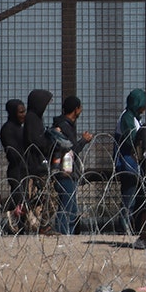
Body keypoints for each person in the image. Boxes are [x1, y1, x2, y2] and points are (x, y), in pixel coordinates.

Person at [51, 96, 94, 235]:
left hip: (68, 171)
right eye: (80, 107)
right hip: (65, 172)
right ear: (76, 109)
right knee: (67, 207)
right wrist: (83, 141)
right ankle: (63, 234)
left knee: (72, 209)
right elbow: (69, 149)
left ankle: (68, 234)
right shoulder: (64, 126)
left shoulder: (67, 125)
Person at [114, 88, 146, 245]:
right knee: (129, 197)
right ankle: (124, 227)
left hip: (133, 162)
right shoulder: (127, 118)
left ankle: (128, 225)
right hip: (128, 161)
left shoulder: (133, 117)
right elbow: (131, 139)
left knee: (133, 197)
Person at [0, 99, 27, 212]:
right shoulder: (8, 129)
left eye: (24, 111)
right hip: (17, 170)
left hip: (25, 169)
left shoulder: (21, 128)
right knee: (18, 198)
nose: (23, 115)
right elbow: (13, 153)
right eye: (20, 112)